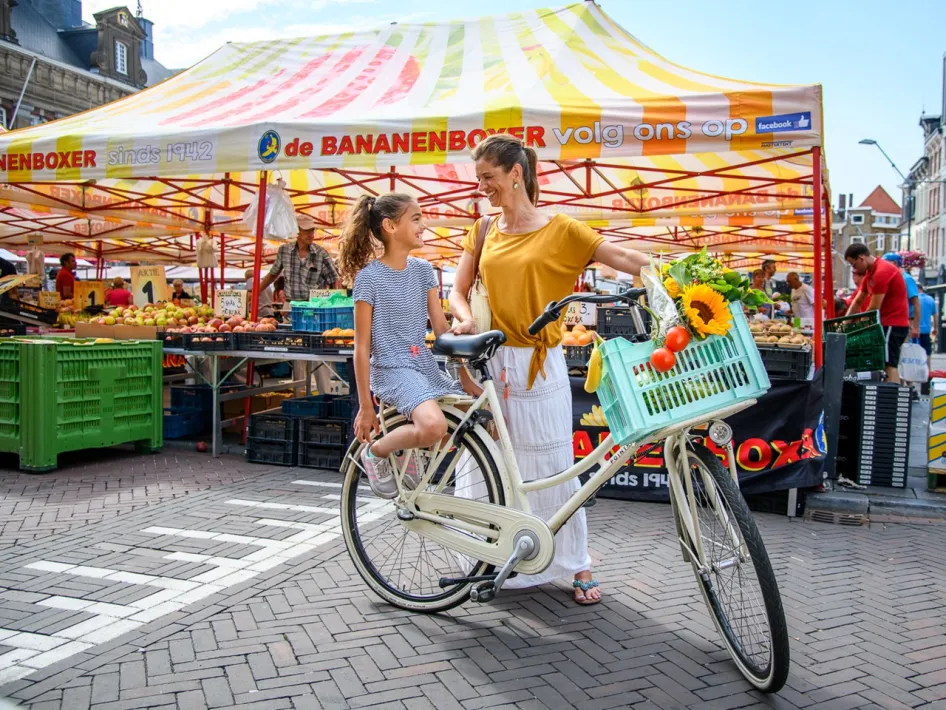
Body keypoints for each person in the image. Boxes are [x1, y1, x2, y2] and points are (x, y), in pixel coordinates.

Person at [449, 134, 649, 605]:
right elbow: (458, 287)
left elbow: (620, 258)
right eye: (479, 179)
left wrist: (672, 272)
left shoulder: (562, 229)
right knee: (490, 464)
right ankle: (488, 556)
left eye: (489, 178)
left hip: (541, 364)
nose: (483, 188)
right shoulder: (482, 229)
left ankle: (576, 561)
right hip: (491, 359)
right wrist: (462, 315)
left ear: (515, 174)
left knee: (554, 466)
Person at [341, 193, 468, 498]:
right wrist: (366, 406)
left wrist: (464, 338)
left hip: (423, 366)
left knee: (475, 419)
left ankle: (409, 453)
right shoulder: (368, 279)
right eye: (416, 218)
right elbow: (361, 348)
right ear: (390, 226)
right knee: (435, 427)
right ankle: (377, 451)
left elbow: (441, 331)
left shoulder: (424, 271)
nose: (424, 225)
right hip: (391, 369)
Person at [845, 243, 910, 384]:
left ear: (861, 258)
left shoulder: (882, 272)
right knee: (884, 364)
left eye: (853, 264)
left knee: (889, 365)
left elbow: (874, 307)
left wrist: (856, 328)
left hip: (893, 324)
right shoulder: (871, 272)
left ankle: (892, 401)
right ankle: (890, 397)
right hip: (887, 323)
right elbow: (857, 301)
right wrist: (844, 325)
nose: (854, 269)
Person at [259, 214, 338, 299]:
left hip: (314, 306)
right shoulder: (284, 250)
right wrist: (255, 292)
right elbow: (273, 274)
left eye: (312, 230)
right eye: (306, 230)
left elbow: (334, 280)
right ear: (296, 231)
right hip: (291, 305)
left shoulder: (321, 253)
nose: (310, 234)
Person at [881, 253, 921, 340]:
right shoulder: (891, 277)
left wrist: (915, 326)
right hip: (893, 322)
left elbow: (916, 304)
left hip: (906, 321)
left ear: (895, 263)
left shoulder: (906, 279)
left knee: (902, 351)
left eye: (885, 263)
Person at [918, 285, 938, 357]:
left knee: (915, 351)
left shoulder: (914, 299)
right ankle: (928, 367)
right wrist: (935, 328)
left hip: (915, 330)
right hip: (926, 330)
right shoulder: (930, 299)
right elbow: (935, 315)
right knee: (927, 351)